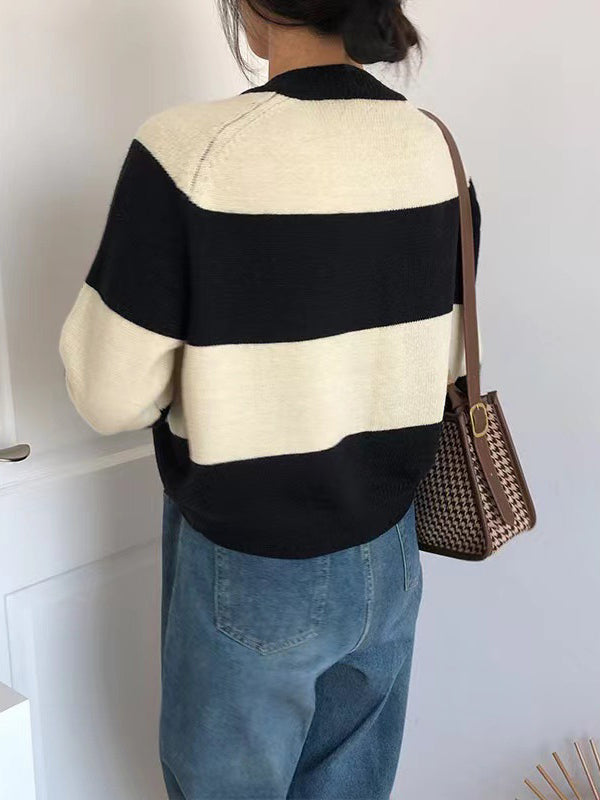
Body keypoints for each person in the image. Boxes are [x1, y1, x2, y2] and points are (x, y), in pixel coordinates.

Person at [59, 0, 482, 797]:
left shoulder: (189, 151)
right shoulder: (437, 148)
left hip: (255, 567)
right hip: (390, 552)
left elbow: (108, 396)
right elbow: (440, 356)